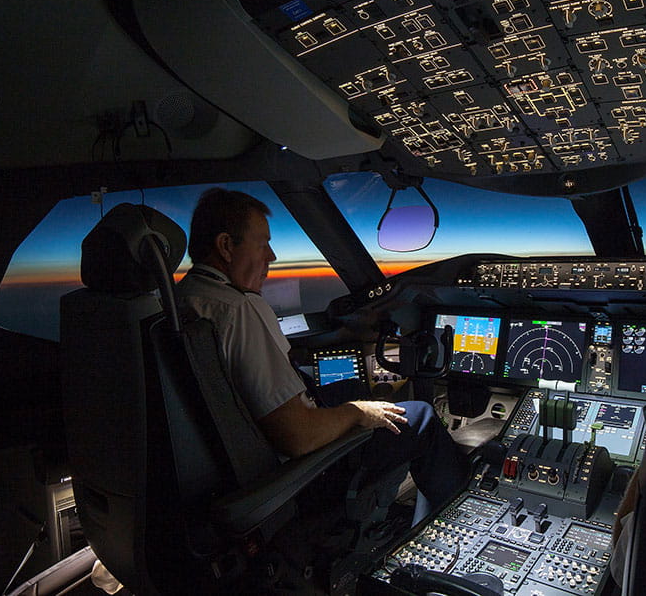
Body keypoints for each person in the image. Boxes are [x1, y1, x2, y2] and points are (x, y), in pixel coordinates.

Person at [174, 187, 468, 513]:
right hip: (294, 477)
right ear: (226, 246)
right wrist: (359, 412)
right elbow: (297, 437)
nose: (271, 256)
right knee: (421, 416)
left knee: (354, 388)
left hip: (230, 467)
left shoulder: (184, 297)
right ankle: (463, 519)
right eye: (263, 244)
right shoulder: (238, 308)